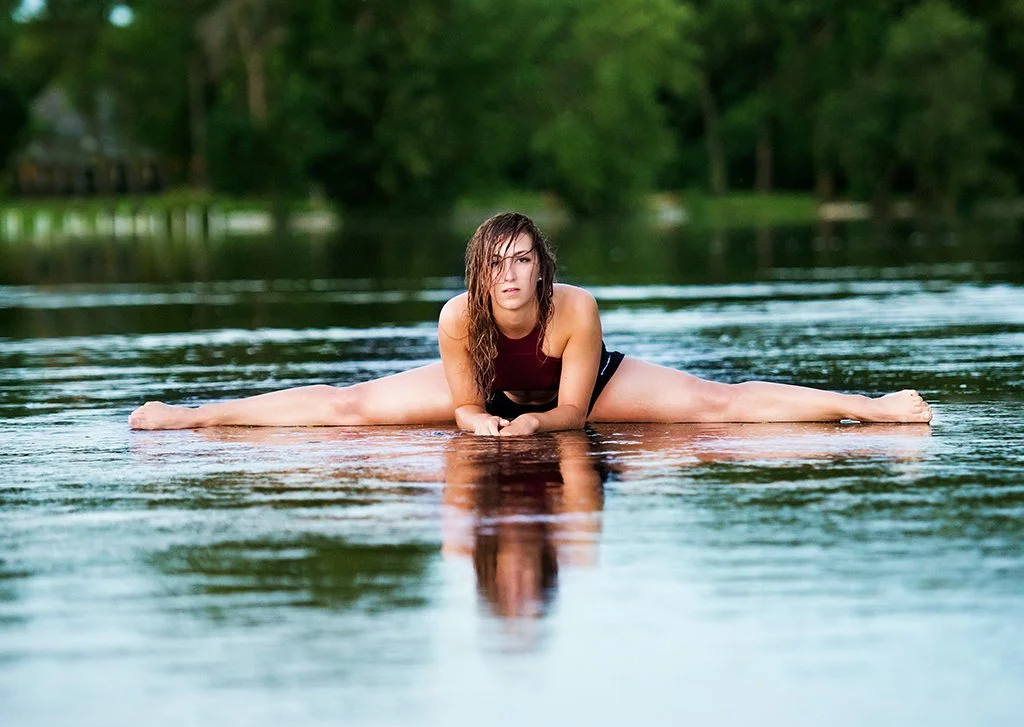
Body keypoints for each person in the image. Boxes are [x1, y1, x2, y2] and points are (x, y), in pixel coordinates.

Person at [128, 212, 933, 434]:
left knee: (713, 404)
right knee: (347, 408)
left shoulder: (576, 309)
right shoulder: (457, 318)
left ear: (541, 269)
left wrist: (534, 430)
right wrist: (478, 424)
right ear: (477, 275)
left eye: (521, 261)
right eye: (494, 263)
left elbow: (576, 416)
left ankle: (870, 408)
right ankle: (194, 416)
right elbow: (469, 405)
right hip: (485, 390)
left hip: (581, 392)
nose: (508, 275)